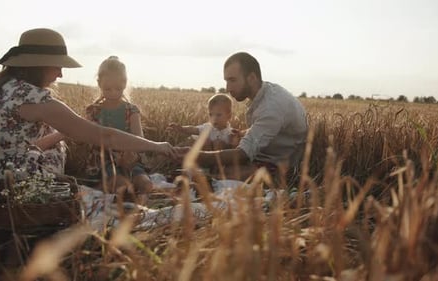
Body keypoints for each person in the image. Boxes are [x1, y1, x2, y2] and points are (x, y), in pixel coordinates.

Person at [0, 28, 176, 186]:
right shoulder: (32, 98)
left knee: (54, 132)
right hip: (11, 182)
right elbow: (105, 136)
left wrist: (63, 133)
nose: (61, 74)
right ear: (40, 65)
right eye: (58, 66)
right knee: (88, 201)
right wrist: (156, 146)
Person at [178, 52, 308, 181]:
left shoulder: (271, 107)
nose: (228, 88)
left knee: (218, 176)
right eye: (226, 81)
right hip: (260, 155)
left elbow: (243, 154)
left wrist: (195, 156)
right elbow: (261, 133)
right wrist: (242, 134)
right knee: (208, 145)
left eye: (232, 80)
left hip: (277, 165)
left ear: (251, 78)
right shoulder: (264, 94)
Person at [84, 56, 152, 202]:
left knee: (146, 184)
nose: (113, 93)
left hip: (130, 159)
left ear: (125, 84)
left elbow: (139, 137)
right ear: (99, 84)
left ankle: (139, 204)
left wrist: (129, 154)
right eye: (108, 89)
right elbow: (88, 136)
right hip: (104, 160)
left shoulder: (131, 110)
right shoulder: (93, 111)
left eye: (118, 89)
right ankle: (103, 186)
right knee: (121, 186)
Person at [166, 93, 240, 150]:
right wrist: (181, 128)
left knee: (219, 144)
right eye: (211, 115)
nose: (214, 118)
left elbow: (234, 149)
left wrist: (232, 143)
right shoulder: (207, 127)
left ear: (229, 116)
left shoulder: (231, 133)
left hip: (221, 160)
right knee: (204, 141)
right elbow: (193, 129)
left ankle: (217, 168)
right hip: (205, 157)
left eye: (218, 115)